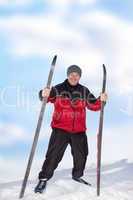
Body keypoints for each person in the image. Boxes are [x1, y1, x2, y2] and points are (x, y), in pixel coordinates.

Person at [34, 65, 108, 193]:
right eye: (71, 74)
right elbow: (47, 98)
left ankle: (77, 175)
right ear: (68, 75)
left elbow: (94, 106)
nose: (74, 77)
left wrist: (101, 101)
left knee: (82, 155)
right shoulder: (58, 89)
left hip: (79, 130)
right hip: (60, 129)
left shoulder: (84, 91)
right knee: (53, 155)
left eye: (77, 75)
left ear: (80, 77)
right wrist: (43, 93)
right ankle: (44, 178)